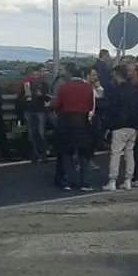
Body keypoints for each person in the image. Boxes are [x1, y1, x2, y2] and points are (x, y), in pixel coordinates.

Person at [51, 63, 94, 191]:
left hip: (67, 122)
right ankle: (85, 182)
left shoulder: (64, 87)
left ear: (70, 74)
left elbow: (56, 105)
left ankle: (69, 181)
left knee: (67, 153)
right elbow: (91, 105)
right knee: (84, 154)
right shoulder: (88, 88)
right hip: (83, 121)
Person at [103, 65, 138, 191]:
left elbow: (112, 109)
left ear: (117, 75)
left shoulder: (116, 91)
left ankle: (112, 181)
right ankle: (128, 180)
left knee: (116, 153)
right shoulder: (134, 91)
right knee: (130, 153)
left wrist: (109, 126)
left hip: (119, 126)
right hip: (133, 126)